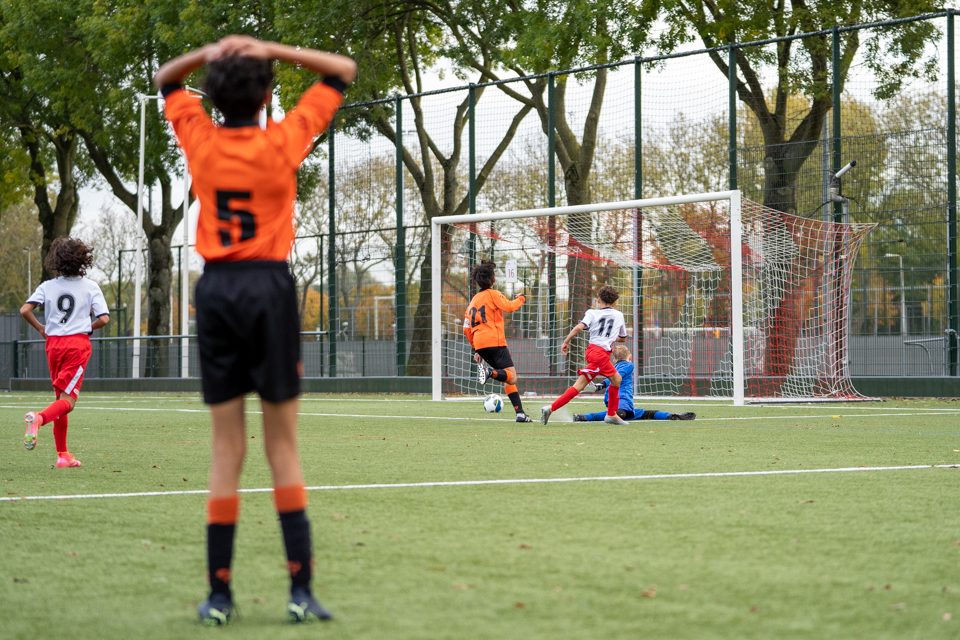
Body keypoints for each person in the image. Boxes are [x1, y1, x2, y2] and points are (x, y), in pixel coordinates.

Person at [154, 34, 356, 626]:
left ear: (211, 99)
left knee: (226, 448)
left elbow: (167, 77)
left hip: (216, 290)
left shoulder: (200, 140)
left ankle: (219, 596)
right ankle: (302, 591)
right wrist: (267, 46)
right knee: (282, 446)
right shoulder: (283, 140)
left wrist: (213, 52)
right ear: (268, 93)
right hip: (269, 289)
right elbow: (343, 67)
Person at [19, 237, 110, 468]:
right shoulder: (90, 286)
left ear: (56, 260)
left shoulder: (48, 286)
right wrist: (86, 327)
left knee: (60, 398)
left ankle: (63, 455)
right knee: (69, 401)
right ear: (83, 260)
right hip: (76, 346)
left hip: (53, 346)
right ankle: (38, 419)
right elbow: (104, 319)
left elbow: (25, 309)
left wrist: (41, 328)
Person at [541, 285, 628, 426]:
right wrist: (610, 338)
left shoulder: (591, 313)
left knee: (616, 379)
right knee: (579, 386)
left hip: (592, 352)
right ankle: (551, 408)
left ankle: (611, 414)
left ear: (598, 300)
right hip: (601, 354)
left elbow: (579, 327)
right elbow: (623, 337)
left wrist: (566, 340)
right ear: (615, 303)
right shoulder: (619, 315)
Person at [463, 260, 532, 422]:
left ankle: (520, 413)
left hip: (481, 344)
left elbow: (466, 328)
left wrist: (476, 349)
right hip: (495, 342)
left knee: (507, 377)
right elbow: (509, 306)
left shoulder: (473, 301)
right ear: (493, 279)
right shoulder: (493, 294)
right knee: (512, 377)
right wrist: (521, 298)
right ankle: (489, 372)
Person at [572, 344, 696, 422]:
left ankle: (670, 416)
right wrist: (601, 385)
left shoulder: (613, 368)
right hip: (622, 399)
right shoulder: (628, 364)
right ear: (630, 356)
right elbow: (617, 377)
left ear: (614, 360)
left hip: (622, 403)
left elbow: (614, 376)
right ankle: (586, 417)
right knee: (619, 414)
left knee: (646, 413)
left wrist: (600, 386)